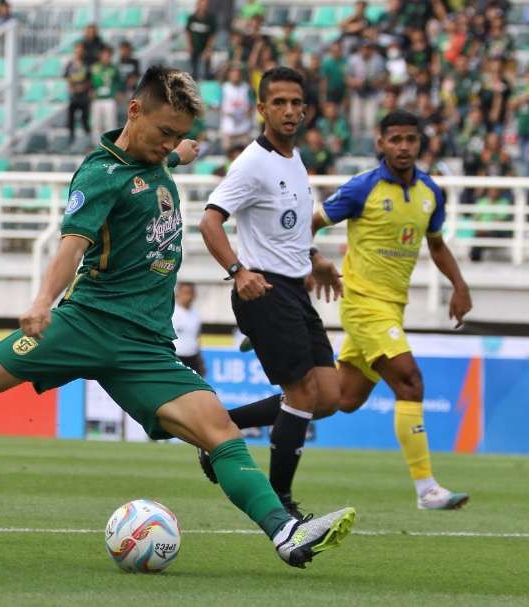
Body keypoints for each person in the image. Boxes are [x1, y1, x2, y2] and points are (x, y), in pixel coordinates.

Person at [0, 65, 356, 567]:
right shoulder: (99, 175)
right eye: (162, 133)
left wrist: (181, 148)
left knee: (219, 433)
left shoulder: (156, 151)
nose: (167, 145)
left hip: (145, 347)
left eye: (174, 136)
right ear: (133, 112)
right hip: (87, 323)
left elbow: (174, 151)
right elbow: (71, 245)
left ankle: (286, 534)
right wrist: (43, 302)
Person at [311, 110, 472, 510]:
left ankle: (238, 422)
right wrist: (313, 262)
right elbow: (308, 224)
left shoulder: (430, 193)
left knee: (341, 399)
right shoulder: (361, 189)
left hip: (392, 310)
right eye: (395, 139)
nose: (403, 147)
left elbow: (435, 244)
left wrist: (459, 284)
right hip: (363, 306)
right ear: (380, 143)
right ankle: (427, 490)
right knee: (410, 382)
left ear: (420, 144)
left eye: (410, 140)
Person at [199, 67, 342, 517]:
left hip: (294, 287)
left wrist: (315, 258)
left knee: (329, 397)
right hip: (263, 288)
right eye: (278, 102)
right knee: (301, 395)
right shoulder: (252, 163)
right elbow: (209, 220)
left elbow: (293, 229)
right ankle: (280, 504)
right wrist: (238, 270)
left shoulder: (295, 160)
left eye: (296, 103)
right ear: (261, 109)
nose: (289, 110)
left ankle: (221, 429)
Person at [171, 282, 205, 376]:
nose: (188, 296)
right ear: (178, 293)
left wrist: (200, 361)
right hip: (176, 357)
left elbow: (197, 337)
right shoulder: (172, 312)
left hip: (193, 358)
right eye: (185, 292)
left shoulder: (196, 314)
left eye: (190, 293)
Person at [90, 45, 119, 143]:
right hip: (97, 99)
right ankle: (96, 146)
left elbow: (119, 82)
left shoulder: (114, 68)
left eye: (108, 55)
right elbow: (89, 81)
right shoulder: (94, 67)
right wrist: (90, 90)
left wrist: (116, 93)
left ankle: (110, 146)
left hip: (109, 99)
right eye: (104, 55)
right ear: (100, 55)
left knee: (110, 124)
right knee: (96, 124)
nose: (105, 57)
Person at [64, 42, 91, 143]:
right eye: (77, 49)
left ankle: (88, 140)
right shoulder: (70, 64)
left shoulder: (86, 64)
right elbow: (67, 77)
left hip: (84, 95)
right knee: (71, 117)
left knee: (85, 118)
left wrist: (83, 87)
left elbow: (90, 79)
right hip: (74, 95)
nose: (79, 51)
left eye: (80, 49)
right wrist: (73, 87)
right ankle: (71, 138)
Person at [185, 0, 216, 81]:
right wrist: (189, 45)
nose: (203, 7)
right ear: (197, 5)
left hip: (205, 48)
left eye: (205, 5)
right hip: (194, 48)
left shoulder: (210, 19)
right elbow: (187, 32)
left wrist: (208, 49)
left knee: (207, 73)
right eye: (201, 4)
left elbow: (212, 35)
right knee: (194, 71)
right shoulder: (192, 18)